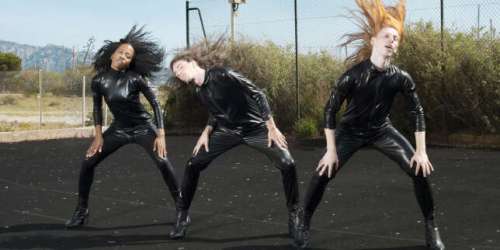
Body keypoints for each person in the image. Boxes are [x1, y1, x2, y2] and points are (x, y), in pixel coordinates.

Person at [294, 1, 445, 249]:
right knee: (323, 171)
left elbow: (416, 110)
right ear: (373, 40)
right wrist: (331, 150)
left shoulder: (400, 77)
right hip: (350, 131)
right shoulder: (353, 76)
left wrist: (421, 151)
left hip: (381, 130)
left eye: (395, 38)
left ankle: (432, 227)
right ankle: (303, 222)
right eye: (386, 35)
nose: (391, 40)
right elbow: (330, 111)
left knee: (419, 170)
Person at [167, 40, 301, 240]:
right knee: (193, 164)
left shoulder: (223, 74)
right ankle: (182, 216)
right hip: (227, 132)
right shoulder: (199, 90)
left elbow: (257, 93)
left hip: (256, 129)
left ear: (193, 62)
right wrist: (206, 132)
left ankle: (295, 217)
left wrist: (271, 127)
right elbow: (216, 112)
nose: (178, 73)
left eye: (180, 67)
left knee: (288, 163)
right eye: (175, 72)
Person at [65, 25, 180, 229]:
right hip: (119, 129)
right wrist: (98, 136)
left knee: (163, 162)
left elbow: (155, 104)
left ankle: (182, 209)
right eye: (121, 52)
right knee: (88, 162)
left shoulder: (135, 78)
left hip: (143, 127)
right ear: (112, 54)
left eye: (128, 56)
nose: (123, 57)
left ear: (130, 61)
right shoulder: (99, 80)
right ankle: (81, 211)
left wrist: (160, 134)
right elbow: (97, 109)